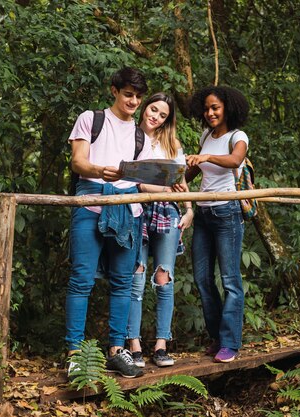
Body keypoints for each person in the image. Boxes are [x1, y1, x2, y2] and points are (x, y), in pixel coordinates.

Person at [66, 67, 153, 379]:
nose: (133, 101)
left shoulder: (141, 134)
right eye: (128, 94)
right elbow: (77, 161)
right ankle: (75, 353)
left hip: (128, 207)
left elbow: (144, 179)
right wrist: (101, 171)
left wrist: (173, 184)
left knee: (122, 282)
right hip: (90, 201)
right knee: (82, 279)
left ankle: (117, 350)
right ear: (114, 90)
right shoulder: (92, 118)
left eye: (138, 97)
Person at [180, 85, 250, 363]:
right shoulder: (206, 135)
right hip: (204, 214)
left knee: (230, 281)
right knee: (202, 278)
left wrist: (207, 156)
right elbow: (194, 170)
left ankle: (231, 344)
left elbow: (236, 160)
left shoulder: (237, 136)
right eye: (207, 108)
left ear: (227, 109)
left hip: (227, 213)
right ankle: (217, 337)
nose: (210, 113)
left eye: (215, 108)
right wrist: (177, 168)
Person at [126, 92, 194, 368]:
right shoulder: (130, 136)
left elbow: (180, 183)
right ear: (145, 108)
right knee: (137, 275)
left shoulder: (171, 143)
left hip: (168, 211)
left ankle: (161, 345)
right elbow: (135, 182)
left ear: (168, 119)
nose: (155, 117)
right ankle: (134, 344)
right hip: (139, 210)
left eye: (162, 115)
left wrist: (189, 209)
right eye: (153, 110)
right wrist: (160, 188)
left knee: (164, 277)